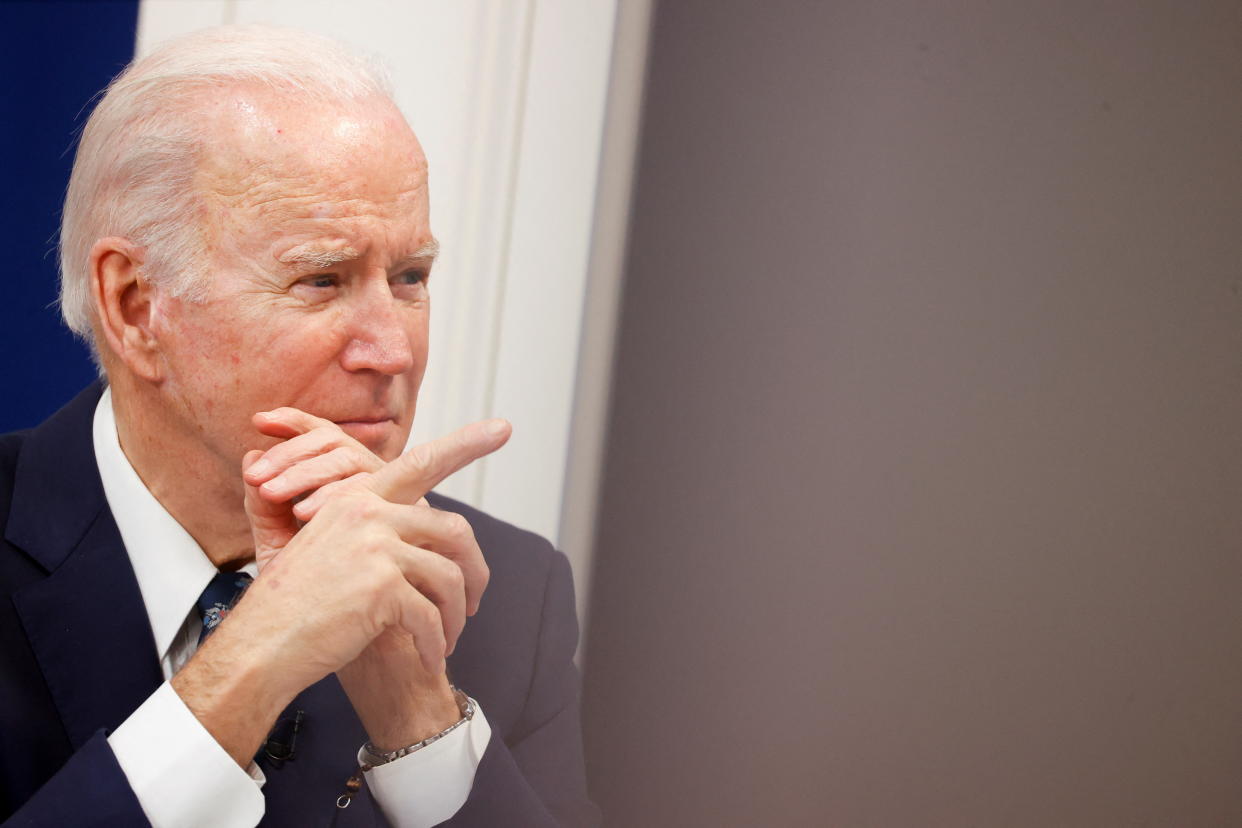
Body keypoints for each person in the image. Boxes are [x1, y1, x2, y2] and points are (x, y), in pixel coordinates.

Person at [0, 24, 597, 827]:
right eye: (321, 279)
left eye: (411, 276)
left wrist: (422, 724)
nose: (393, 350)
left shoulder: (507, 598)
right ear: (136, 307)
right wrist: (249, 665)